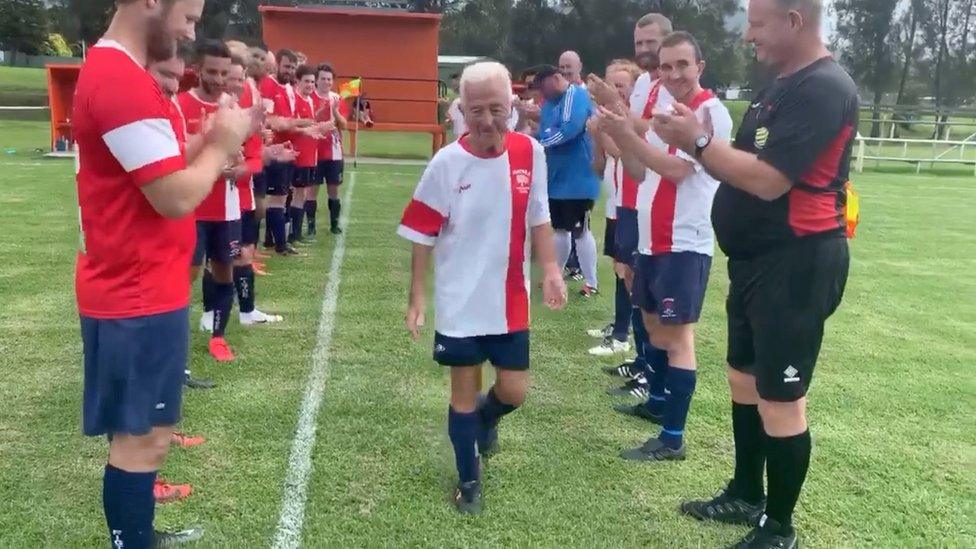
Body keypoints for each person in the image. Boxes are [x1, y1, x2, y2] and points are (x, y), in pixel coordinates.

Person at [651, 1, 856, 546]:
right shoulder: (778, 86)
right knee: (743, 377)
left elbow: (768, 181)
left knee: (781, 396)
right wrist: (696, 140)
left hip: (797, 262)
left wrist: (696, 140)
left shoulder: (824, 88)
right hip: (755, 262)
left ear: (794, 20)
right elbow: (735, 162)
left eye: (758, 24)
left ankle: (778, 527)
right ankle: (745, 493)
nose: (748, 36)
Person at [74, 0, 254, 545]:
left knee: (145, 437)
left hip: (141, 287)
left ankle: (139, 535)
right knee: (140, 442)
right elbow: (174, 197)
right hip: (135, 293)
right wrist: (222, 143)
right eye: (192, 17)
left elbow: (159, 167)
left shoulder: (123, 73)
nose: (192, 30)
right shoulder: (118, 78)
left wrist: (204, 142)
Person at [398, 61, 567, 514]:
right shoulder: (447, 163)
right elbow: (421, 233)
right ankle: (469, 481)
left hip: (511, 298)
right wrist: (418, 295)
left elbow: (539, 217)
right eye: (477, 111)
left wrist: (550, 269)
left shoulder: (531, 153)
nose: (488, 120)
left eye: (497, 108)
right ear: (462, 110)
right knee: (462, 390)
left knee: (514, 392)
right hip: (460, 301)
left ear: (512, 105)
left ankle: (484, 420)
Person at [599, 32, 733, 463]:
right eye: (666, 66)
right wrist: (619, 133)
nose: (674, 74)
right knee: (655, 328)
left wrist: (629, 132)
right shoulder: (661, 114)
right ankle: (657, 403)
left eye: (682, 65)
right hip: (653, 240)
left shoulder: (710, 113)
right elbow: (638, 169)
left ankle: (672, 437)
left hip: (684, 241)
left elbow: (676, 170)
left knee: (678, 338)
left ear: (700, 67)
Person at [588, 12, 675, 402]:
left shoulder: (673, 87)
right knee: (632, 284)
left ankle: (652, 376)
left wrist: (613, 111)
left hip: (654, 203)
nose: (643, 50)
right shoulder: (645, 84)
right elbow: (629, 144)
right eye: (638, 42)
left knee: (648, 293)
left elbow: (648, 133)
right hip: (632, 200)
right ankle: (644, 363)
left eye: (650, 42)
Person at [178, 40, 244, 363]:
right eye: (212, 72)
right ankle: (175, 343)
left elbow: (246, 156)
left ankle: (219, 338)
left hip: (226, 208)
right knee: (183, 279)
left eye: (224, 73)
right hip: (190, 207)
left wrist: (238, 163)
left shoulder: (232, 109)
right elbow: (174, 159)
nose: (218, 79)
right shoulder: (179, 105)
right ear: (198, 70)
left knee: (224, 273)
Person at [587, 60, 642, 358]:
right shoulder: (607, 117)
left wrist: (602, 132)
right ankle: (620, 324)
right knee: (619, 268)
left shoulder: (629, 120)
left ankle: (623, 334)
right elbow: (600, 165)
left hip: (630, 204)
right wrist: (597, 136)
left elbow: (623, 151)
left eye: (620, 85)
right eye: (611, 84)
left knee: (628, 270)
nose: (614, 90)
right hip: (615, 203)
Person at [530, 64, 601, 297]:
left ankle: (591, 281)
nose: (542, 93)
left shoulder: (575, 95)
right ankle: (556, 276)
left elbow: (569, 129)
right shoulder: (550, 103)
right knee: (560, 229)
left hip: (578, 179)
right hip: (558, 179)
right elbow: (546, 130)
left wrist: (540, 143)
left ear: (556, 78)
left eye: (543, 86)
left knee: (580, 230)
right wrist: (540, 137)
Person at [224, 54, 284, 326]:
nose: (236, 83)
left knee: (242, 253)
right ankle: (211, 312)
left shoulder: (245, 100)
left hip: (242, 190)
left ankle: (246, 311)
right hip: (221, 195)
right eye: (231, 77)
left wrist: (264, 150)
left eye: (240, 77)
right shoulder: (219, 106)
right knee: (220, 258)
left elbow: (250, 148)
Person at [258, 49, 311, 256]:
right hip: (274, 152)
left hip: (286, 151)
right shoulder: (269, 86)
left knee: (281, 197)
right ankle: (279, 244)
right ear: (277, 65)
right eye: (286, 66)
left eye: (292, 67)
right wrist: (299, 123)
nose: (289, 71)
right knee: (273, 199)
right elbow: (270, 121)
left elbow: (288, 121)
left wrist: (307, 129)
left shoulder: (288, 88)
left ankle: (275, 242)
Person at [312, 62, 348, 235]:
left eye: (329, 79)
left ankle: (334, 224)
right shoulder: (310, 97)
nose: (326, 82)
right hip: (314, 151)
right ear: (316, 80)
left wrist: (335, 111)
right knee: (312, 190)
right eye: (323, 79)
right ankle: (311, 226)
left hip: (334, 153)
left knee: (333, 189)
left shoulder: (337, 98)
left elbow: (344, 125)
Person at [289, 64, 322, 243]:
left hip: (310, 155)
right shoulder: (295, 98)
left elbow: (309, 127)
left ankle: (295, 232)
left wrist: (320, 128)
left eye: (312, 82)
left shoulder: (309, 100)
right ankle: (292, 234)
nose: (310, 85)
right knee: (295, 193)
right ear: (298, 81)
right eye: (306, 81)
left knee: (301, 194)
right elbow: (291, 125)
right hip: (298, 155)